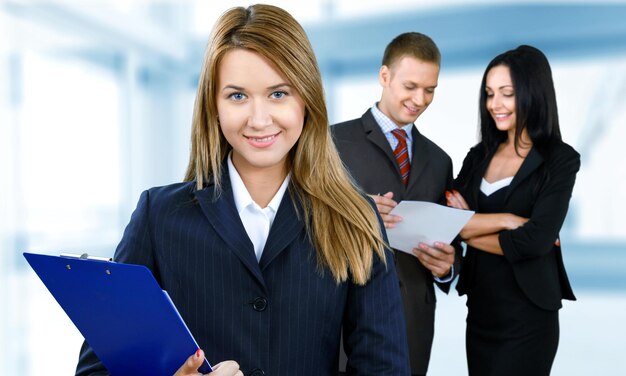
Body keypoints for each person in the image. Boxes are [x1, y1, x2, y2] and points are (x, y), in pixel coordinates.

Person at [75, 4, 410, 376]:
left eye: (278, 94)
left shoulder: (355, 220)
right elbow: (98, 370)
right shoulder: (159, 216)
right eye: (237, 96)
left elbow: (384, 369)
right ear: (213, 106)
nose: (259, 118)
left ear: (307, 100)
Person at [332, 32, 462, 376]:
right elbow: (298, 217)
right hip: (346, 318)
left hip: (413, 323)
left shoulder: (440, 161)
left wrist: (447, 266)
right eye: (411, 86)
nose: (420, 99)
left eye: (430, 90)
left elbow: (448, 239)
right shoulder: (332, 143)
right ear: (384, 76)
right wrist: (359, 210)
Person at [446, 45, 580, 375]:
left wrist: (469, 227)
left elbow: (535, 241)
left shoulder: (560, 160)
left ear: (534, 92)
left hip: (530, 316)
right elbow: (445, 222)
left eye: (507, 93)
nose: (495, 105)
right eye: (490, 94)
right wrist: (506, 221)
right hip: (482, 311)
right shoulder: (478, 156)